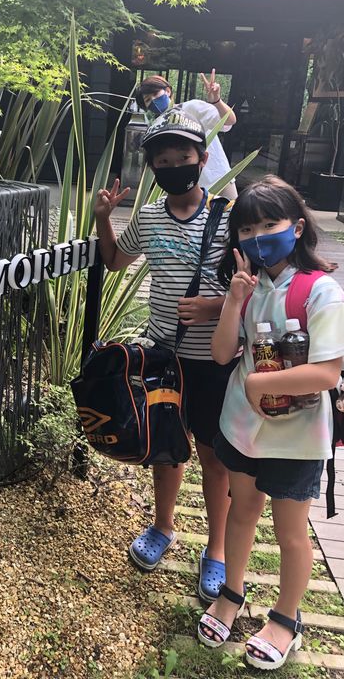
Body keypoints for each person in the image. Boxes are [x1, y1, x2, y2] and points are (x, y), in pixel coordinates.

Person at [197, 175, 344, 670]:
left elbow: (327, 372)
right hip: (243, 427)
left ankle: (285, 619)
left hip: (297, 437)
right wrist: (234, 300)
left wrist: (260, 386)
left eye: (269, 224)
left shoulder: (321, 290)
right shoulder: (248, 286)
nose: (257, 236)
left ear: (298, 228)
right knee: (241, 511)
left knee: (290, 533)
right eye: (246, 228)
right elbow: (222, 355)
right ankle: (232, 594)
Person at [94, 109, 238, 603]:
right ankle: (163, 526)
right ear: (153, 168)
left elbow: (255, 286)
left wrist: (216, 305)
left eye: (184, 156)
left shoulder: (227, 216)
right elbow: (115, 262)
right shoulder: (150, 217)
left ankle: (216, 550)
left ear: (202, 159)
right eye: (164, 160)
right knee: (166, 446)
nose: (175, 165)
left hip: (216, 361)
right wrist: (101, 219)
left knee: (214, 458)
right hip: (163, 358)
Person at [135, 71, 238, 200]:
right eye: (148, 100)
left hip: (218, 179)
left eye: (156, 94)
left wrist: (216, 100)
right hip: (186, 186)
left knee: (233, 217)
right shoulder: (158, 127)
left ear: (168, 91)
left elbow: (230, 120)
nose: (154, 101)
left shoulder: (191, 108)